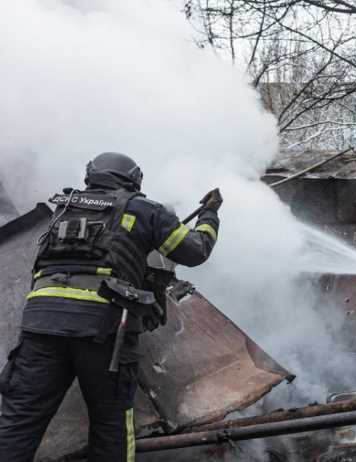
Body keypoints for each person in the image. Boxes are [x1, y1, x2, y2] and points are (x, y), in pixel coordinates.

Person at [0, 152, 222, 461]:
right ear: (135, 179)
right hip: (104, 331)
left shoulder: (63, 208)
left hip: (40, 327)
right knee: (111, 424)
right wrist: (210, 214)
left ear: (92, 176)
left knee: (19, 420)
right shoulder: (145, 210)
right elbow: (195, 251)